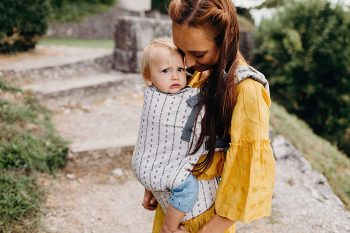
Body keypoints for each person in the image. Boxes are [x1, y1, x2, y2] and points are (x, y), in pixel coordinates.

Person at [143, 1, 276, 233]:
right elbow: (170, 135)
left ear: (226, 38)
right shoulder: (197, 74)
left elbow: (246, 174)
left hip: (206, 223)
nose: (188, 64)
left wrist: (209, 230)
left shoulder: (247, 91)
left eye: (198, 53)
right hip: (173, 205)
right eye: (181, 52)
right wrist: (154, 182)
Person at [132, 37, 215, 233]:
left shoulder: (154, 94)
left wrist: (148, 188)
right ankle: (169, 227)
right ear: (148, 78)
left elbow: (160, 146)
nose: (176, 77)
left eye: (180, 69)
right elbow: (204, 100)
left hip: (145, 165)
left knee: (165, 171)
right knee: (188, 189)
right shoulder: (166, 102)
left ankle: (153, 192)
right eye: (165, 71)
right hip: (152, 166)